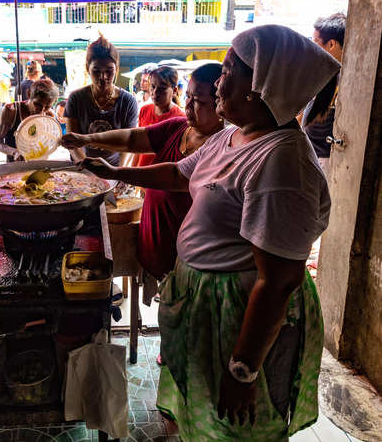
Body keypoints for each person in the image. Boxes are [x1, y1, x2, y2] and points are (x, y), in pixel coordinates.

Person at [79, 25, 339, 441]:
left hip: (238, 315)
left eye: (231, 70)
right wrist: (113, 173)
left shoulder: (281, 163)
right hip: (207, 302)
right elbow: (181, 173)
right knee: (204, 413)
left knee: (237, 425)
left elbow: (278, 281)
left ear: (263, 86)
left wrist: (243, 368)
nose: (219, 81)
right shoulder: (235, 135)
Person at [62, 63, 224, 292]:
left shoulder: (222, 146)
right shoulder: (179, 127)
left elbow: (174, 176)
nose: (187, 104)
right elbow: (131, 138)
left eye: (198, 101)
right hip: (156, 245)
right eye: (187, 96)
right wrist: (87, 139)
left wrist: (114, 173)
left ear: (222, 105)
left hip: (192, 259)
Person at [64, 36, 138, 167]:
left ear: (117, 68)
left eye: (109, 71)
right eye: (96, 71)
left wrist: (119, 172)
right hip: (83, 168)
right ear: (87, 68)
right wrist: (87, 168)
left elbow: (130, 143)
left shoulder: (128, 101)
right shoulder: (76, 99)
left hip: (115, 167)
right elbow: (73, 144)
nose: (103, 77)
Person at [303, 12, 345, 175]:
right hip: (312, 158)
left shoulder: (347, 82)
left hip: (327, 165)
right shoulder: (326, 75)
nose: (312, 48)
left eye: (315, 42)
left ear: (332, 44)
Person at [0, 78, 58, 161]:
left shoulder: (49, 115)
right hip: (15, 168)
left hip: (39, 165)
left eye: (47, 107)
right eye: (37, 104)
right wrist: (14, 152)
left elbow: (50, 140)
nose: (41, 110)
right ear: (28, 94)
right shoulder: (12, 110)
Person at [133, 66, 184, 167]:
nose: (155, 92)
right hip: (140, 175)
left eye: (162, 88)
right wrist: (132, 171)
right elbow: (137, 147)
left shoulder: (181, 118)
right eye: (153, 86)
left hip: (162, 178)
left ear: (174, 91)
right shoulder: (144, 110)